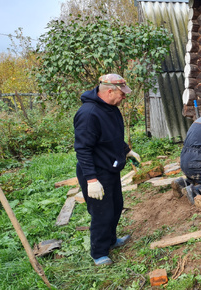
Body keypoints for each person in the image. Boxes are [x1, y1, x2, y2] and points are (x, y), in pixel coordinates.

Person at [74, 74, 141, 266]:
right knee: (102, 213)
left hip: (110, 168)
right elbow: (83, 149)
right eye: (122, 94)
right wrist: (91, 180)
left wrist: (126, 150)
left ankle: (111, 240)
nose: (124, 98)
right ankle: (98, 253)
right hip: (96, 172)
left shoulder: (111, 109)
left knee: (115, 207)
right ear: (109, 91)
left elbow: (112, 136)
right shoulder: (88, 114)